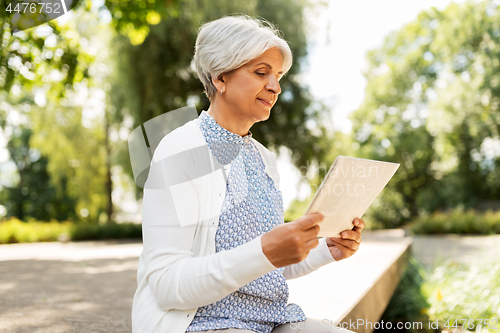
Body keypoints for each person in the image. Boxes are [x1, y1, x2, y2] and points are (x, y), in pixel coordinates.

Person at [131, 15, 365, 333]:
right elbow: (167, 284)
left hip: (272, 319)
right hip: (200, 322)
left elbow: (266, 268)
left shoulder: (264, 159)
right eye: (261, 72)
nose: (276, 87)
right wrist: (265, 250)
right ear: (220, 78)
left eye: (278, 75)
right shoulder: (180, 151)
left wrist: (326, 249)